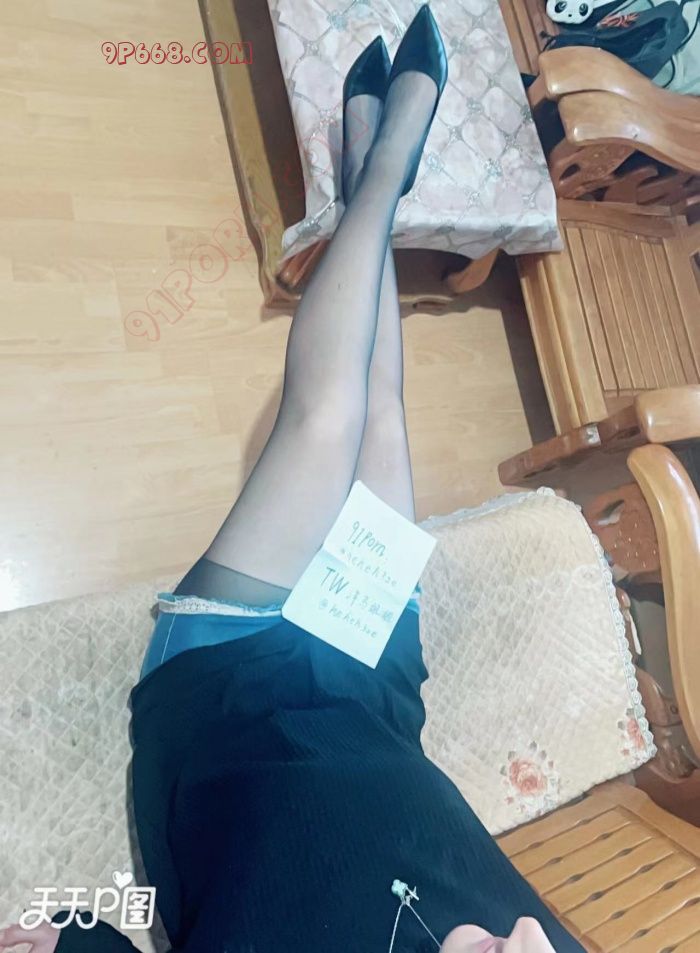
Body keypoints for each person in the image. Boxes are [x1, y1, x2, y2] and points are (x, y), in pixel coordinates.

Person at [0, 8, 584, 952]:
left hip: (226, 713)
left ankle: (377, 175)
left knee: (328, 422)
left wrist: (67, 939)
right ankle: (369, 180)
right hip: (373, 704)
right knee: (380, 418)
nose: (521, 934)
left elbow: (89, 934)